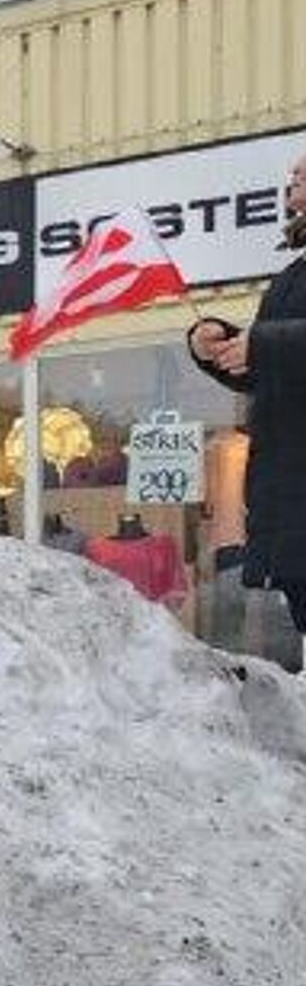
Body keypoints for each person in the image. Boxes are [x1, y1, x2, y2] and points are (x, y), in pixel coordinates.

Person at [189, 149, 306, 631]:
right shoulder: (289, 278)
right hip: (288, 493)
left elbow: (274, 350)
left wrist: (260, 344)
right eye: (292, 167)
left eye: (305, 169)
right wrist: (217, 346)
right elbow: (267, 373)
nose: (293, 174)